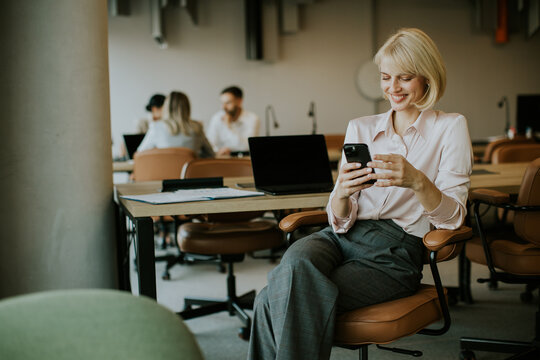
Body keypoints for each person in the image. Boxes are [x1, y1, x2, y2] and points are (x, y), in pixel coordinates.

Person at [247, 28, 473, 360]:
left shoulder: (450, 126)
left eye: (404, 77)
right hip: (340, 236)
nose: (392, 88)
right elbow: (341, 215)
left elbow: (453, 219)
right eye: (385, 77)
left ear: (427, 77)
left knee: (271, 297)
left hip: (394, 249)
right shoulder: (361, 127)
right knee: (295, 260)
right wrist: (342, 192)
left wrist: (417, 181)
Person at [137, 91, 214, 158]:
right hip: (191, 174)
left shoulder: (156, 127)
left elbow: (140, 154)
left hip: (164, 174)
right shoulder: (197, 128)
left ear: (166, 107)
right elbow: (210, 154)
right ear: (187, 107)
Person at [206, 86, 260, 156]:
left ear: (239, 101)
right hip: (222, 159)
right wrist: (219, 150)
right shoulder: (217, 118)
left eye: (228, 103)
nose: (223, 107)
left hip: (244, 160)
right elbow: (209, 144)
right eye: (222, 103)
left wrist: (229, 126)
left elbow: (247, 147)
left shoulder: (253, 119)